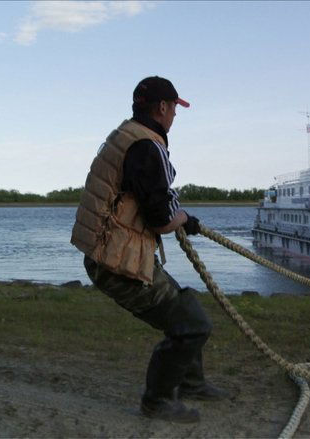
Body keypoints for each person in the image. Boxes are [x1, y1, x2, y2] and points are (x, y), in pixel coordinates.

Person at [71, 76, 228, 424]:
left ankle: (190, 383)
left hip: (108, 254)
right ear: (161, 107)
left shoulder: (127, 135)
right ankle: (156, 402)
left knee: (185, 305)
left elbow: (147, 199)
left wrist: (177, 217)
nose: (175, 114)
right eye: (174, 108)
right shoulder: (146, 146)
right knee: (191, 323)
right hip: (115, 262)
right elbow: (160, 218)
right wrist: (183, 218)